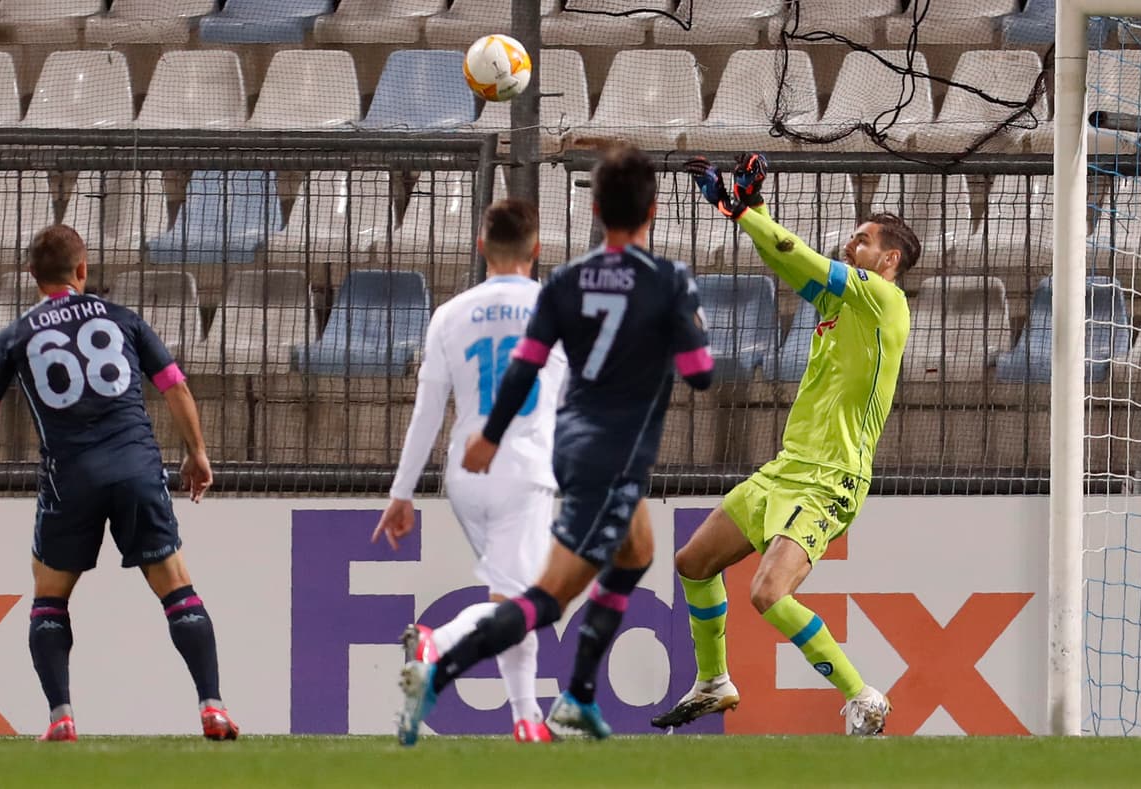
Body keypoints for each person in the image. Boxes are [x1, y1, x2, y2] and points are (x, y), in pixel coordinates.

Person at [395, 143, 716, 746]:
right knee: (544, 600)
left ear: (595, 209)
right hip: (615, 454)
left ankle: (579, 695)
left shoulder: (564, 282)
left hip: (569, 448)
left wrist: (489, 436)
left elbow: (523, 368)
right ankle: (440, 669)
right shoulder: (668, 281)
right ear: (652, 209)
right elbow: (700, 372)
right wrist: (685, 325)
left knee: (636, 552)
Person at [0, 224, 238, 743]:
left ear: (32, 276)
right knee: (176, 587)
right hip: (136, 468)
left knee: (50, 596)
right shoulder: (122, 319)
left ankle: (61, 717)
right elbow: (175, 387)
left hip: (70, 476)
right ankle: (213, 707)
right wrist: (197, 454)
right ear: (83, 269)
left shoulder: (17, 335)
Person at [651, 153, 917, 736]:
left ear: (889, 259)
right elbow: (786, 261)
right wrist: (748, 214)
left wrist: (744, 210)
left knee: (768, 593)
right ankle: (714, 680)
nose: (853, 246)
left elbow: (808, 260)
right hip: (787, 468)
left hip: (831, 476)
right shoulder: (836, 305)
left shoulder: (884, 301)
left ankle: (863, 695)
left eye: (864, 240)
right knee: (693, 562)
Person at [372, 198, 567, 743]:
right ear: (537, 250)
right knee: (527, 604)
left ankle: (527, 720)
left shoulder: (449, 314)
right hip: (522, 470)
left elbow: (427, 411)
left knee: (513, 598)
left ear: (481, 247)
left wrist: (401, 492)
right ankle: (438, 643)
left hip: (464, 475)